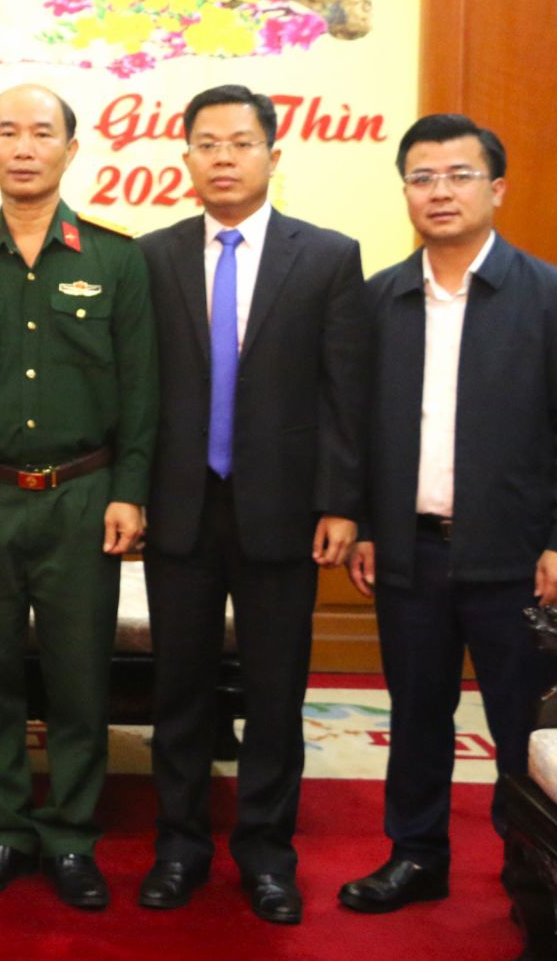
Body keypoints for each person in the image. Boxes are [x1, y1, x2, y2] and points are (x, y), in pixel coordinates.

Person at [338, 114, 557, 956]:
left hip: (518, 560)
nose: (439, 192)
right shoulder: (380, 297)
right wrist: (368, 528)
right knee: (417, 713)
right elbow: (358, 427)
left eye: (458, 175)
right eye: (422, 177)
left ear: (496, 188)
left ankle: (537, 882)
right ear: (406, 193)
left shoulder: (551, 295)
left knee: (523, 730)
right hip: (409, 550)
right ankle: (415, 855)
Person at [136, 84, 367, 924]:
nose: (223, 158)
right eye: (206, 143)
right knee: (180, 693)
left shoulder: (329, 256)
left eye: (240, 143)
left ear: (274, 155)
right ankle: (179, 847)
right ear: (186, 157)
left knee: (276, 697)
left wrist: (342, 503)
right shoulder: (152, 257)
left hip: (285, 516)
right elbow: (139, 393)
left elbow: (346, 393)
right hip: (180, 513)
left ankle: (268, 854)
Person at [0, 84, 157, 911]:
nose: (24, 147)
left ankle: (71, 836)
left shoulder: (115, 258)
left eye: (43, 133)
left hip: (84, 494)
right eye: (8, 133)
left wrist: (130, 492)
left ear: (73, 149)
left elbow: (143, 392)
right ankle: (1, 828)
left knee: (77, 679)